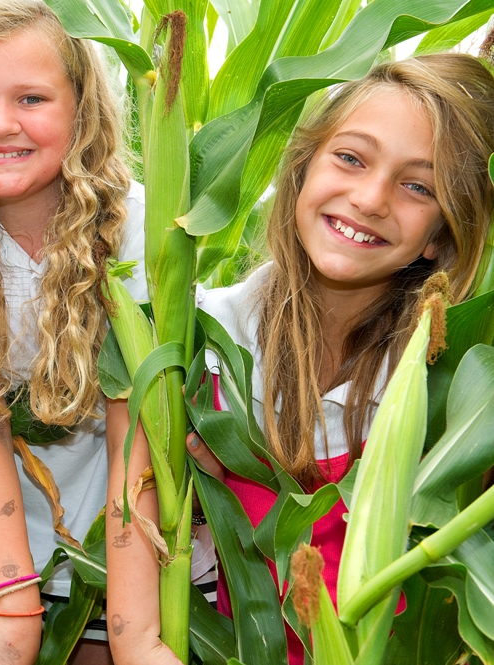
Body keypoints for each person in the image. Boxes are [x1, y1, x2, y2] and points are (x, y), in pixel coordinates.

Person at [107, 53, 494, 665]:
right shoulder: (201, 349)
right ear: (301, 170)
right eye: (350, 158)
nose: (369, 198)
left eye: (418, 186)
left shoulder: (461, 395)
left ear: (443, 235)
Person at [0, 1, 193, 662]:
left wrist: (135, 633)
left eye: (30, 97)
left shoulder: (137, 231)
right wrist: (12, 606)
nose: (1, 123)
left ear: (82, 109)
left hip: (117, 538)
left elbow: (136, 439)